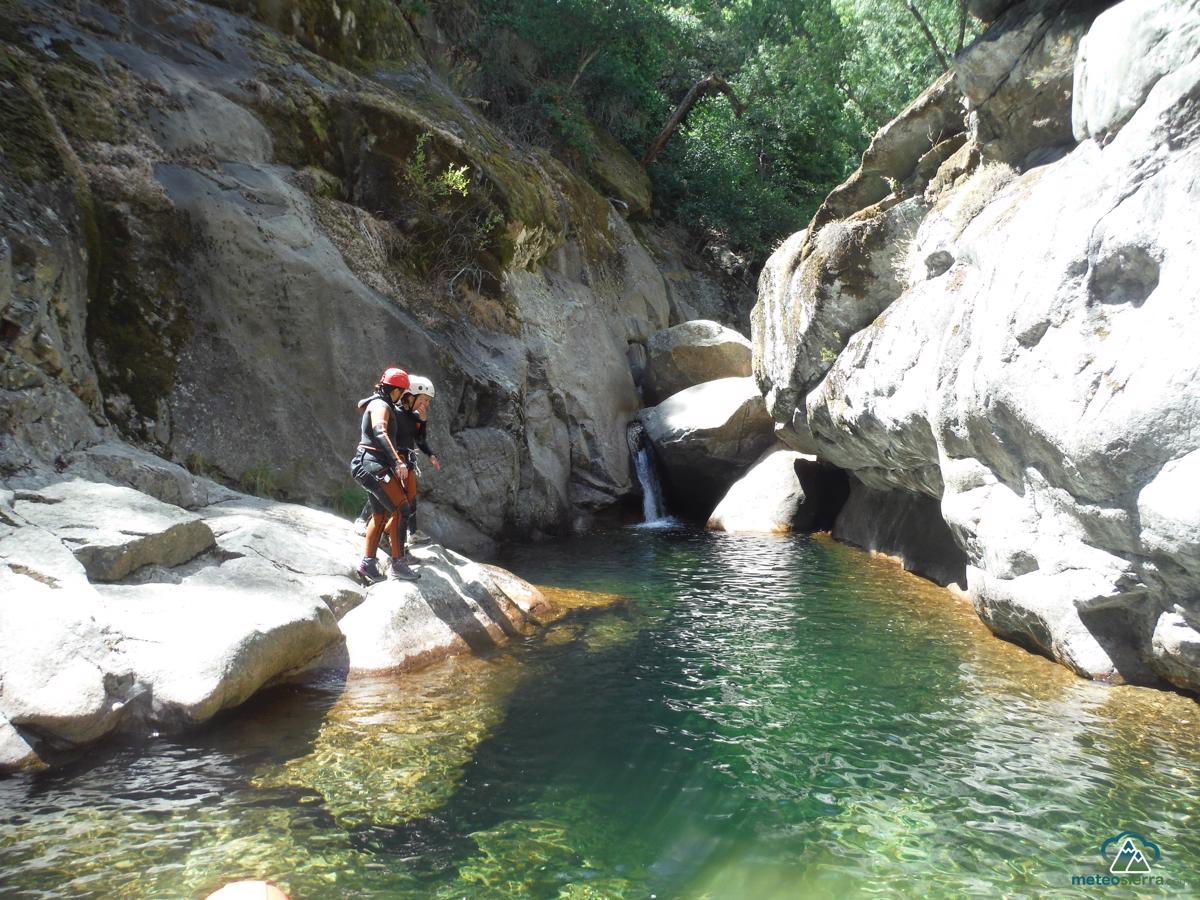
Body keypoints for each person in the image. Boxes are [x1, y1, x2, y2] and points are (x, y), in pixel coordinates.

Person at [350, 367, 420, 583]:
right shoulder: (381, 405)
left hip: (369, 465)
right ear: (396, 390)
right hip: (372, 465)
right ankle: (398, 564)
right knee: (401, 509)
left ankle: (368, 564)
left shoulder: (379, 402)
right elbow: (380, 431)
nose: (403, 396)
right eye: (403, 391)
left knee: (380, 515)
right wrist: (397, 462)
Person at [394, 374, 441, 546]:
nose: (426, 404)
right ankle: (364, 520)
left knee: (411, 498)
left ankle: (412, 533)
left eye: (428, 401)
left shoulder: (414, 417)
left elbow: (420, 439)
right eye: (424, 400)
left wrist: (430, 454)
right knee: (386, 495)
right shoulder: (393, 413)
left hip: (407, 461)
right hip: (394, 461)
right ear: (411, 395)